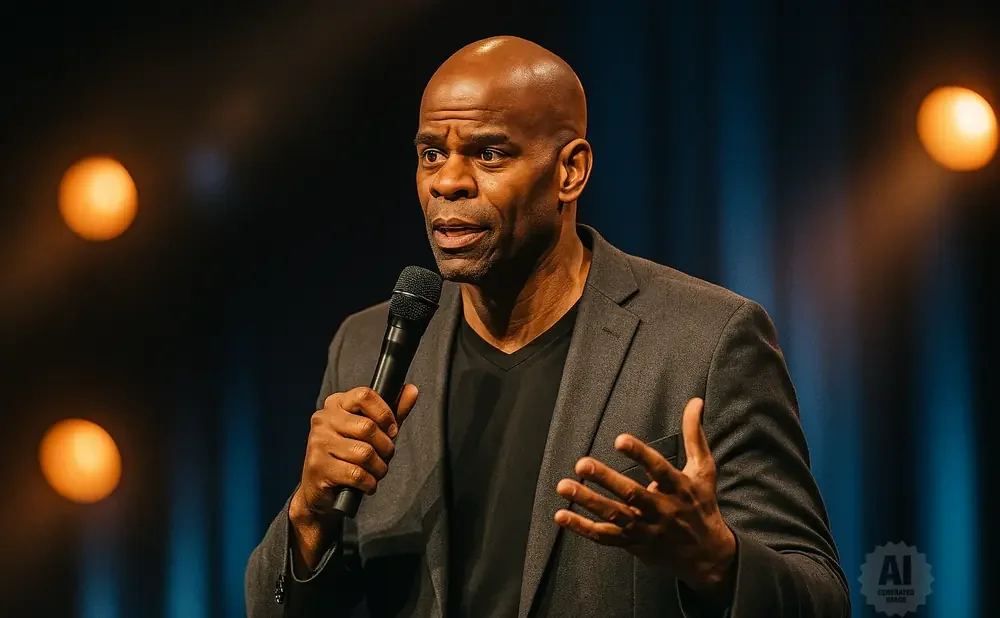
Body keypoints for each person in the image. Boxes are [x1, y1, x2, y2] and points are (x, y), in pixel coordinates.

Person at [246, 36, 850, 618]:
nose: (447, 181)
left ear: (570, 171)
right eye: (432, 153)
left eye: (488, 154)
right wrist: (309, 516)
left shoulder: (708, 340)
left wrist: (718, 561)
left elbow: (820, 596)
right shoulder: (365, 345)